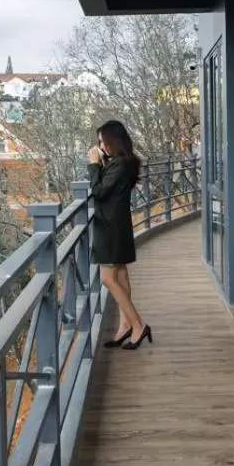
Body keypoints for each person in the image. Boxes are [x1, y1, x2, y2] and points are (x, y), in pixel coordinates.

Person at [87, 120, 152, 350]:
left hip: (110, 227)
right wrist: (103, 163)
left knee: (107, 278)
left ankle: (138, 325)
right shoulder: (123, 162)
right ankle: (125, 326)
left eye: (103, 141)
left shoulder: (119, 164)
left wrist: (94, 165)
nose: (101, 145)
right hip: (118, 224)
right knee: (121, 275)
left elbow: (99, 192)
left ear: (113, 140)